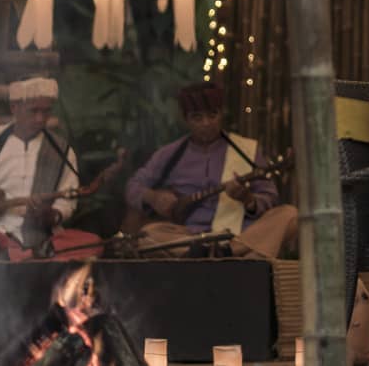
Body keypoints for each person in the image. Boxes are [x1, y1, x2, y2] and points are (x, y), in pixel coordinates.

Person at [123, 83, 298, 258]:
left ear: (221, 114)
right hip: (189, 236)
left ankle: (224, 252)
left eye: (212, 115)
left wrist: (248, 200)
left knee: (289, 215)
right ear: (186, 119)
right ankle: (229, 255)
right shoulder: (169, 154)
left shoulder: (246, 150)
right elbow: (133, 186)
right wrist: (152, 197)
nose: (206, 123)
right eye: (197, 118)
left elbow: (270, 196)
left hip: (240, 233)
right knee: (149, 234)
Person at [0, 77, 103, 262]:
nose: (40, 118)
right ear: (14, 108)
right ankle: (24, 255)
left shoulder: (62, 150)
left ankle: (17, 255)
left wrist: (52, 216)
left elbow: (67, 203)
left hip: (43, 238)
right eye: (33, 111)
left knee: (93, 244)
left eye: (46, 111)